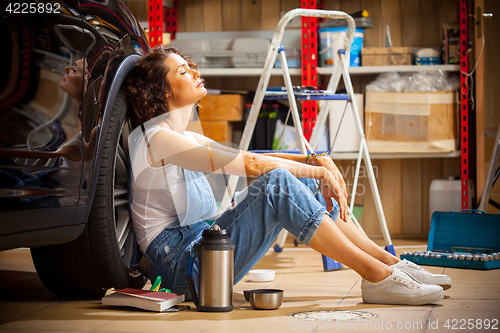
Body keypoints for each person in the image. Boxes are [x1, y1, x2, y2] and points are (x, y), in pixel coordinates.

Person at [124, 45, 451, 306]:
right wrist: (317, 170)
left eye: (191, 65)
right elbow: (251, 167)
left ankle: (388, 262)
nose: (195, 72)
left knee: (300, 178)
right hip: (183, 269)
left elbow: (253, 157)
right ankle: (376, 276)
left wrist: (316, 161)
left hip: (205, 249)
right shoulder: (157, 138)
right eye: (183, 71)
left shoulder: (182, 136)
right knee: (278, 184)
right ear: (162, 92)